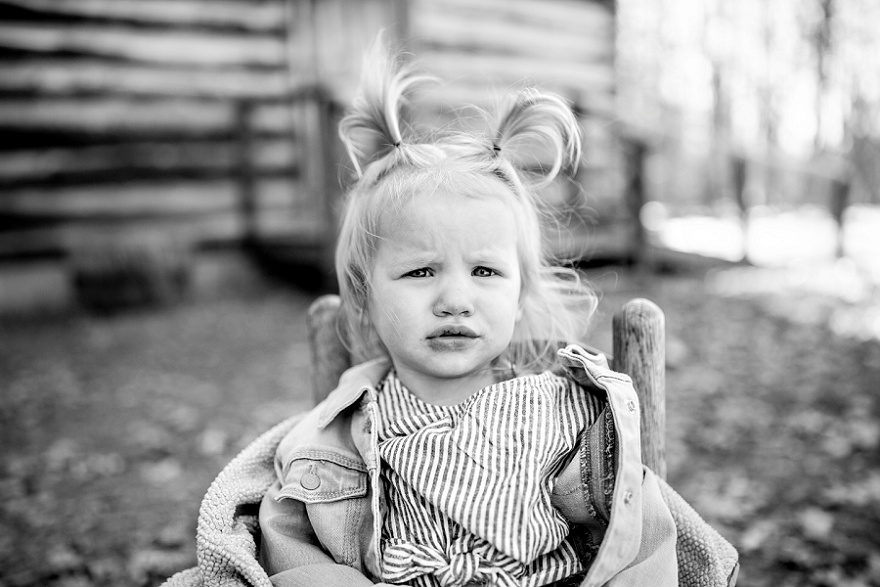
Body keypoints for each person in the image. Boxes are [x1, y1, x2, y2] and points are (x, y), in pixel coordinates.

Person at [162, 38, 738, 587]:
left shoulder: (564, 415)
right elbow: (291, 548)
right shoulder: (343, 433)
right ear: (365, 298)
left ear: (519, 296)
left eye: (485, 272)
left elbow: (642, 535)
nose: (455, 298)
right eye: (419, 272)